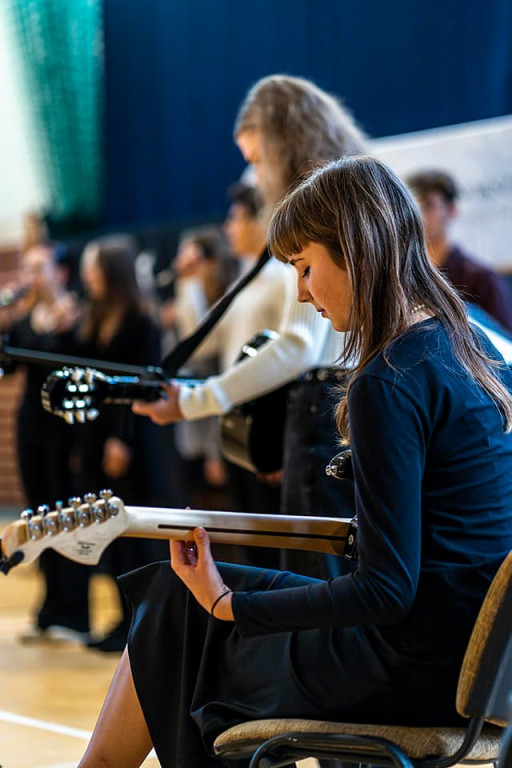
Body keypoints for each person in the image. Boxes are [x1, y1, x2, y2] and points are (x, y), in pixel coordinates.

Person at [77, 155, 512, 768]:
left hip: (414, 670)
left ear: (357, 251)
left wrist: (231, 605)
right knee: (177, 598)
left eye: (306, 268)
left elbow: (386, 589)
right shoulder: (475, 350)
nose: (303, 293)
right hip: (485, 667)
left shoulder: (389, 380)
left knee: (189, 625)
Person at [134, 74, 368, 580]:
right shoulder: (353, 192)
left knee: (311, 589)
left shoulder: (319, 205)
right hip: (334, 412)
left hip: (324, 415)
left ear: (285, 143)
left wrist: (196, 400)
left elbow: (301, 345)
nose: (254, 175)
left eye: (258, 158)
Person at [76, 234, 169, 652]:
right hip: (98, 438)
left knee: (132, 534)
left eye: (94, 267)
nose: (87, 275)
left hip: (127, 441)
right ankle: (120, 618)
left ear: (111, 271)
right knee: (108, 533)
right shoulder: (97, 317)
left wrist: (121, 440)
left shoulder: (140, 321)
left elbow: (139, 391)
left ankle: (140, 622)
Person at [3, 242, 91, 643]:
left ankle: (74, 612)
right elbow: (8, 367)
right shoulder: (26, 318)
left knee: (66, 515)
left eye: (38, 268)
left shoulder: (74, 315)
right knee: (38, 516)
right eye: (27, 268)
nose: (30, 277)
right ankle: (49, 608)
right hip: (30, 427)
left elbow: (71, 368)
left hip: (65, 429)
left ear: (60, 272)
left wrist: (54, 331)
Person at [406, 169, 512, 331]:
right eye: (414, 206)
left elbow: (503, 346)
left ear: (451, 209)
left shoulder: (480, 279)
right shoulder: (405, 277)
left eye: (428, 206)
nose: (419, 215)